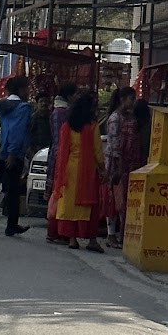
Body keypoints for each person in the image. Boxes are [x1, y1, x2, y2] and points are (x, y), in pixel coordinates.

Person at [52, 92, 105, 251]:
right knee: (89, 205)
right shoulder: (93, 126)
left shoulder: (67, 126)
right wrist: (103, 169)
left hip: (69, 170)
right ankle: (92, 240)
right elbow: (97, 151)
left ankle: (72, 239)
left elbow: (62, 151)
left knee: (70, 204)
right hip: (87, 171)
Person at [0, 75, 32, 239]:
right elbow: (17, 131)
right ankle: (11, 226)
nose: (29, 91)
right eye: (27, 88)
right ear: (20, 90)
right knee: (12, 190)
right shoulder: (24, 108)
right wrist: (12, 152)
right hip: (13, 155)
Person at [103, 85, 143, 246]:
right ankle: (111, 234)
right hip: (117, 165)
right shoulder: (115, 119)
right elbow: (113, 145)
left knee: (126, 200)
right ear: (122, 100)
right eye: (131, 99)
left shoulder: (129, 117)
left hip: (130, 164)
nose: (133, 102)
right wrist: (118, 166)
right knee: (114, 201)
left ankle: (123, 235)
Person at [46, 82, 78, 244]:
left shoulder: (62, 111)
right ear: (70, 96)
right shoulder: (60, 113)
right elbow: (59, 141)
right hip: (60, 157)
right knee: (58, 194)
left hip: (61, 156)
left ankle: (58, 230)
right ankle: (55, 230)